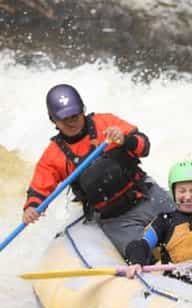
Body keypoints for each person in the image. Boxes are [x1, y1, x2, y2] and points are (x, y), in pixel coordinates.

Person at [22, 83, 174, 255]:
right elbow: (39, 190)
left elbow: (144, 146)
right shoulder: (53, 155)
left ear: (83, 109)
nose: (72, 122)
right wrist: (31, 208)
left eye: (75, 115)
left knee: (185, 230)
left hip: (147, 195)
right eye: (65, 119)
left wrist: (124, 140)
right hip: (116, 219)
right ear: (53, 119)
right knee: (138, 255)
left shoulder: (106, 122)